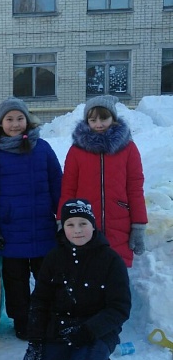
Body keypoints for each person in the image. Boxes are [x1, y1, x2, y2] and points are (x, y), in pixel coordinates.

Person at [20, 199, 131, 360]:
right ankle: (62, 359)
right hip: (60, 328)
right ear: (64, 228)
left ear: (93, 225)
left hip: (97, 330)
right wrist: (35, 341)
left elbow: (119, 308)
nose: (77, 230)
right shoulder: (53, 258)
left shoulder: (111, 260)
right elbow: (40, 301)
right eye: (70, 224)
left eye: (83, 223)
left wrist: (87, 332)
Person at [0, 97, 63, 340]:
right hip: (11, 229)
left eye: (19, 118)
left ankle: (46, 316)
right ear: (1, 123)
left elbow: (57, 183)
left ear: (27, 120)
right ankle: (22, 320)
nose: (15, 124)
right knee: (16, 280)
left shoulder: (43, 148)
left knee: (46, 276)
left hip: (42, 226)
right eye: (9, 119)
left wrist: (63, 218)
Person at [59, 95, 147, 268]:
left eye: (104, 118)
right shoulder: (77, 151)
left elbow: (135, 188)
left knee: (116, 281)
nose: (98, 124)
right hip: (84, 224)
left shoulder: (128, 148)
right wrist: (62, 222)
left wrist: (139, 226)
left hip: (120, 224)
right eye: (93, 120)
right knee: (87, 278)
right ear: (87, 121)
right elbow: (68, 189)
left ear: (113, 118)